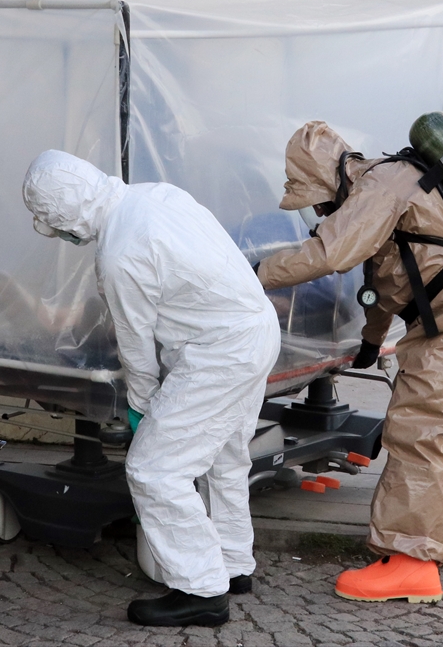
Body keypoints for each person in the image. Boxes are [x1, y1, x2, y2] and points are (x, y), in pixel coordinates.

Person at [255, 121, 443, 604]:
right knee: (428, 406)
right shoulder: (382, 184)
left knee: (416, 427)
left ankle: (411, 560)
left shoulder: (379, 185)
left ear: (329, 177)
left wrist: (253, 274)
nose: (318, 210)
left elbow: (330, 253)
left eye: (317, 200)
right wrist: (371, 340)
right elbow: (387, 280)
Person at [22, 150, 280, 627]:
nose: (57, 233)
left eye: (53, 224)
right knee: (225, 456)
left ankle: (201, 590)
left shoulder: (119, 253)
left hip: (218, 353)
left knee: (154, 470)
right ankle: (233, 564)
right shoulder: (157, 195)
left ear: (65, 214)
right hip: (256, 329)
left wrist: (143, 411)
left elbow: (136, 346)